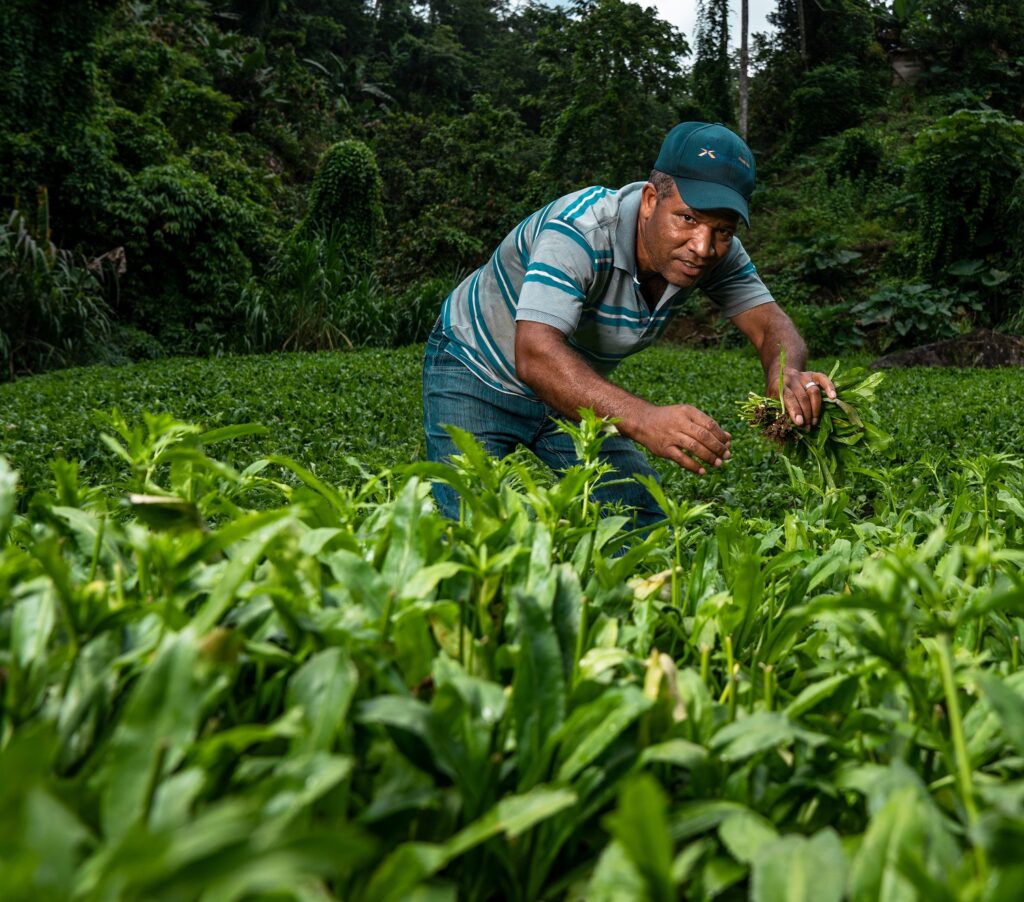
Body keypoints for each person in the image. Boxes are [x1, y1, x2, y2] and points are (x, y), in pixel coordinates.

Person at [422, 121, 836, 524]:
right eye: (687, 219)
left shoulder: (715, 251)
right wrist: (644, 420)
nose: (702, 247)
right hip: (475, 368)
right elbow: (535, 355)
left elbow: (770, 324)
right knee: (484, 532)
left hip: (570, 388)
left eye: (722, 230)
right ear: (652, 200)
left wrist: (786, 373)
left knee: (640, 523)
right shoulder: (579, 231)